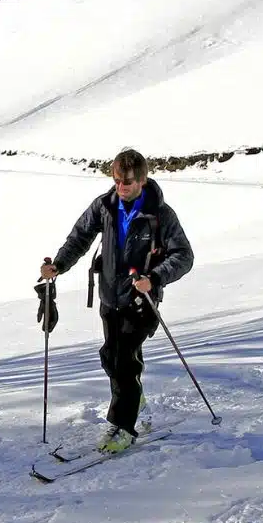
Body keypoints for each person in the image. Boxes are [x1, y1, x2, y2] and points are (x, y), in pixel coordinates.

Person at [38, 149, 194, 454]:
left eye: (129, 181)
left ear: (143, 179)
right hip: (109, 296)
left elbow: (184, 256)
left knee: (124, 363)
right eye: (118, 180)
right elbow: (80, 237)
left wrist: (156, 277)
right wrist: (59, 265)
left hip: (141, 300)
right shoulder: (105, 206)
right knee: (111, 357)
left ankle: (123, 427)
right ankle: (135, 402)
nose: (123, 186)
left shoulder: (160, 214)